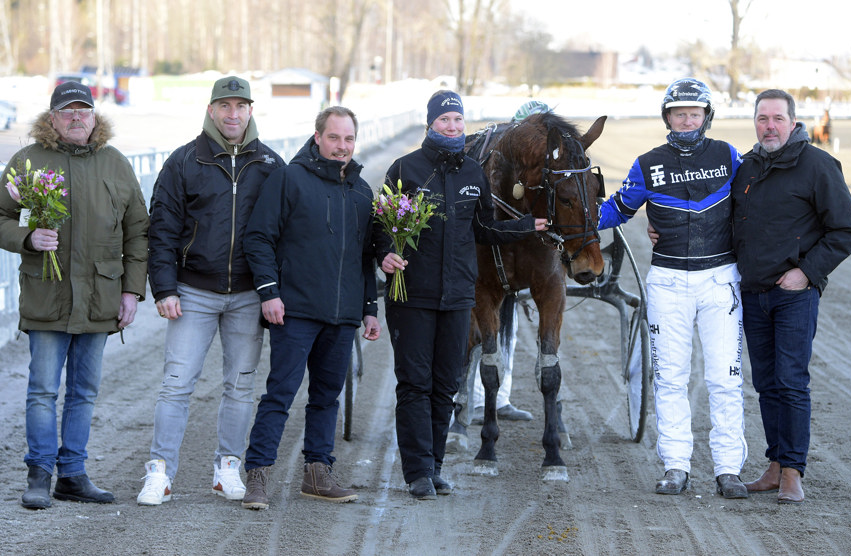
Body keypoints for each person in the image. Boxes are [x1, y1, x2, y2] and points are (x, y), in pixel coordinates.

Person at [0, 81, 149, 509]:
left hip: (99, 296)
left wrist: (132, 291)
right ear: (53, 118)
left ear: (94, 116)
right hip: (47, 295)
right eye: (68, 110)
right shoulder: (28, 161)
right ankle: (39, 474)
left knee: (84, 391)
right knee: (42, 390)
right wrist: (27, 237)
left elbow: (138, 231)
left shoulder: (115, 163)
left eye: (84, 110)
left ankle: (72, 475)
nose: (77, 117)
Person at [377, 90, 548, 500]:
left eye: (457, 119)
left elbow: (484, 229)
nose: (452, 126)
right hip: (412, 297)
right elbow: (381, 224)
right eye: (444, 120)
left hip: (457, 298)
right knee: (414, 385)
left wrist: (526, 226)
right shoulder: (405, 168)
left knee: (445, 384)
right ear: (430, 123)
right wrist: (385, 253)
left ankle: (434, 468)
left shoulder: (472, 172)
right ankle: (417, 472)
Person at [598, 78, 749, 499]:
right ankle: (676, 466)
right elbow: (616, 210)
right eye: (679, 113)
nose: (686, 120)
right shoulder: (646, 164)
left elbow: (756, 204)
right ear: (667, 117)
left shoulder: (728, 155)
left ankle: (729, 469)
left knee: (725, 380)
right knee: (670, 380)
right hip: (667, 282)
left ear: (706, 116)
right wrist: (564, 219)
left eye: (694, 114)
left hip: (720, 280)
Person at [137, 76, 285, 506]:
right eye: (225, 106)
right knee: (176, 383)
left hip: (247, 294)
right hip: (193, 291)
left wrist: (272, 290)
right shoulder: (184, 161)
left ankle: (227, 468)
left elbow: (283, 233)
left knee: (240, 386)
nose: (232, 114)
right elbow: (162, 229)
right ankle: (160, 473)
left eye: (240, 106)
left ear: (251, 111)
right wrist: (164, 288)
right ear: (211, 110)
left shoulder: (271, 164)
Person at [240, 106, 381, 510]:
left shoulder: (362, 192)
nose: (342, 146)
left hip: (342, 315)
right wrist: (269, 292)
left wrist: (369, 308)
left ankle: (317, 474)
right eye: (334, 137)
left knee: (326, 397)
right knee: (280, 394)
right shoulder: (289, 179)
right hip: (295, 310)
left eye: (349, 139)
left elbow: (364, 257)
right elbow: (258, 238)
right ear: (317, 137)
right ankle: (258, 476)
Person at [732, 89, 851, 504]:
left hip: (794, 295)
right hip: (753, 294)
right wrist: (661, 229)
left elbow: (846, 230)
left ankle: (792, 471)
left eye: (777, 119)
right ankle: (774, 465)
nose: (769, 126)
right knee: (766, 384)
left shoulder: (817, 165)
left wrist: (806, 272)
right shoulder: (745, 167)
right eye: (762, 118)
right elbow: (722, 221)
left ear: (792, 121)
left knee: (791, 381)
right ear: (755, 122)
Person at [466, 99, 554, 425]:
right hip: (487, 247)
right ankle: (471, 401)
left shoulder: (548, 163)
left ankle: (500, 400)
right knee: (479, 330)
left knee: (510, 329)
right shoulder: (496, 158)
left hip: (525, 250)